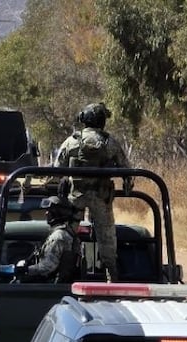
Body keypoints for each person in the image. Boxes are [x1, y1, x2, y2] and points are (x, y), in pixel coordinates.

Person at [56, 102, 129, 282]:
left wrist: (62, 185)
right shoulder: (109, 142)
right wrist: (127, 190)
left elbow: (57, 168)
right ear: (102, 121)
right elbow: (127, 170)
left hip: (76, 197)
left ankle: (64, 276)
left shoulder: (72, 140)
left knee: (67, 234)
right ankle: (112, 278)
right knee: (107, 238)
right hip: (101, 198)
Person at [15, 196, 82, 283]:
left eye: (49, 211)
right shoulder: (65, 233)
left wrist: (26, 269)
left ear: (57, 213)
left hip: (53, 286)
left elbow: (48, 266)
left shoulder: (58, 236)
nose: (46, 214)